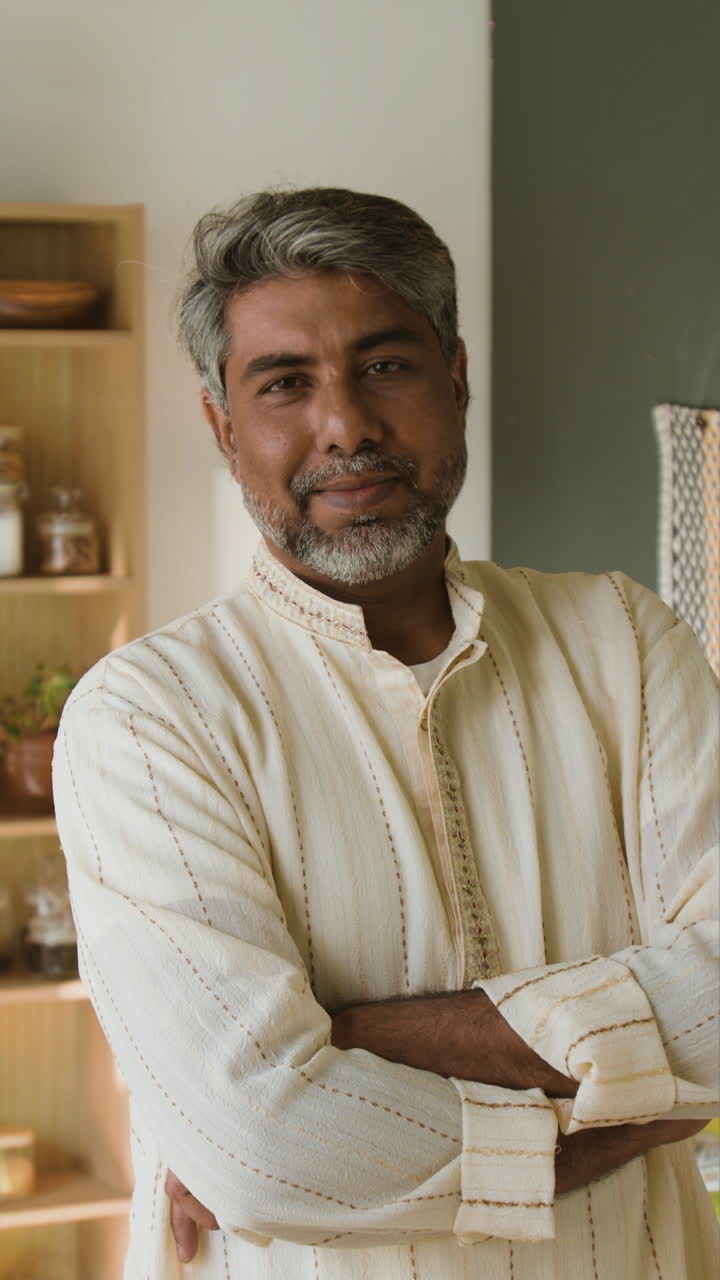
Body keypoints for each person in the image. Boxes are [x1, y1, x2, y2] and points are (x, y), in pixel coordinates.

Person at [53, 188, 719, 1280]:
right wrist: (634, 1109)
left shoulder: (627, 642)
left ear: (456, 379)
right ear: (225, 428)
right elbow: (263, 1146)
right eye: (285, 384)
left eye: (386, 365)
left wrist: (354, 1039)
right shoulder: (146, 715)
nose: (346, 425)